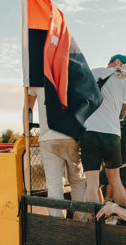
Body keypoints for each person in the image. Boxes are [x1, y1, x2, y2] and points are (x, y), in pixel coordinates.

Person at [26, 80, 86, 218]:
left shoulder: (38, 77)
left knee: (54, 185)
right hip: (72, 134)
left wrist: (26, 131)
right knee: (78, 181)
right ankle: (81, 220)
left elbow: (28, 105)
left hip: (49, 137)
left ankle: (58, 222)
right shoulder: (72, 70)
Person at [82, 55, 126, 206]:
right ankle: (121, 219)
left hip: (89, 131)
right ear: (117, 63)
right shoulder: (125, 80)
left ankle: (94, 222)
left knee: (92, 182)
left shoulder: (94, 72)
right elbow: (123, 112)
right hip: (111, 133)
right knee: (115, 180)